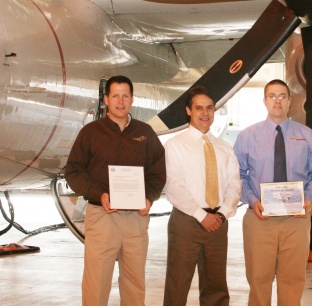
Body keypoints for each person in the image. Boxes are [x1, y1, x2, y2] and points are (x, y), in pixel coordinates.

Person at [64, 75, 166, 306]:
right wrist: (99, 193)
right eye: (115, 96)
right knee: (96, 283)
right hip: (102, 218)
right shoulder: (90, 133)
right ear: (106, 99)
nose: (121, 101)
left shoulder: (145, 133)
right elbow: (73, 172)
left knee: (134, 283)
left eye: (125, 96)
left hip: (136, 220)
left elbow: (157, 174)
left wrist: (149, 198)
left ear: (132, 99)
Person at [233, 79, 312, 306]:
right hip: (260, 219)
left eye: (282, 96)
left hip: (295, 221)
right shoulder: (248, 136)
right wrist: (252, 199)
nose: (277, 101)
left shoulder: (307, 135)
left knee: (292, 281)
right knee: (258, 281)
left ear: (290, 101)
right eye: (272, 96)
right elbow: (236, 174)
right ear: (265, 101)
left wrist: (307, 198)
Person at [163, 85, 242, 306]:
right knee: (177, 286)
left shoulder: (224, 147)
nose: (205, 113)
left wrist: (223, 214)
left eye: (209, 108)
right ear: (189, 111)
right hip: (187, 221)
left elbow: (234, 184)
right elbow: (174, 185)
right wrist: (201, 215)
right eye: (199, 108)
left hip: (218, 223)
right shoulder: (175, 146)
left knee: (216, 287)